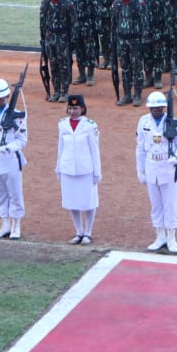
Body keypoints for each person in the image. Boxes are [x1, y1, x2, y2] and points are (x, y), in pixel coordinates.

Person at [136, 90, 177, 252]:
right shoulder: (144, 122)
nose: (155, 110)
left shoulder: (172, 121)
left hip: (168, 166)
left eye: (159, 107)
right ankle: (160, 236)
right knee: (156, 204)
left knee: (170, 204)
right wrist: (140, 170)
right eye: (153, 107)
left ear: (164, 108)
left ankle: (171, 238)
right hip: (152, 165)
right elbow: (140, 147)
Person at [0, 77, 28, 240]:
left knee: (15, 194)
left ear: (6, 97)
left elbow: (22, 140)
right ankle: (5, 224)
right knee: (0, 195)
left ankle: (16, 224)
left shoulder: (16, 114)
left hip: (9, 160)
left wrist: (7, 148)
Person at [56, 94, 101, 244]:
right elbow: (60, 147)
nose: (73, 111)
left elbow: (95, 150)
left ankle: (88, 232)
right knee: (72, 201)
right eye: (70, 108)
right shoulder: (62, 124)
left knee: (89, 202)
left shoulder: (90, 125)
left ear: (82, 108)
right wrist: (58, 168)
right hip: (68, 167)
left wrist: (97, 172)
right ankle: (78, 231)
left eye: (75, 108)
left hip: (85, 168)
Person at [40, 0, 78, 102]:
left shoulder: (68, 4)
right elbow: (42, 22)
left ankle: (64, 92)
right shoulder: (45, 3)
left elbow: (73, 24)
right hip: (50, 39)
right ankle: (56, 91)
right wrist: (43, 39)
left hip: (63, 39)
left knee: (64, 66)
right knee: (53, 65)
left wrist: (73, 41)